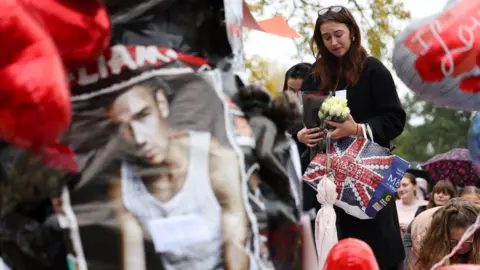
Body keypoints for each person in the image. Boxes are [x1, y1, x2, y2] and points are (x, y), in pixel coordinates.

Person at [294, 5, 407, 270]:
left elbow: (394, 119)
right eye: (326, 37)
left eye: (338, 34)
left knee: (376, 254)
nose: (333, 42)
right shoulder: (315, 75)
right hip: (322, 186)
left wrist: (356, 129)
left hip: (366, 183)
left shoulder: (373, 70)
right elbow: (303, 121)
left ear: (352, 33)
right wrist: (301, 134)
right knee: (323, 253)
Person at [107, 77, 249, 270]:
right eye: (123, 127)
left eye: (143, 116)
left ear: (162, 105)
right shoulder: (124, 185)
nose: (139, 139)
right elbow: (133, 263)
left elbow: (236, 245)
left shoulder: (214, 160)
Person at [410, 198, 480, 269]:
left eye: (466, 241)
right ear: (445, 236)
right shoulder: (423, 235)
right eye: (453, 241)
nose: (459, 246)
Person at [396, 173, 427, 237]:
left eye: (405, 185)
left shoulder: (426, 206)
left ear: (414, 186)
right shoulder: (393, 205)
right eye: (398, 186)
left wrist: (411, 228)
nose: (401, 189)